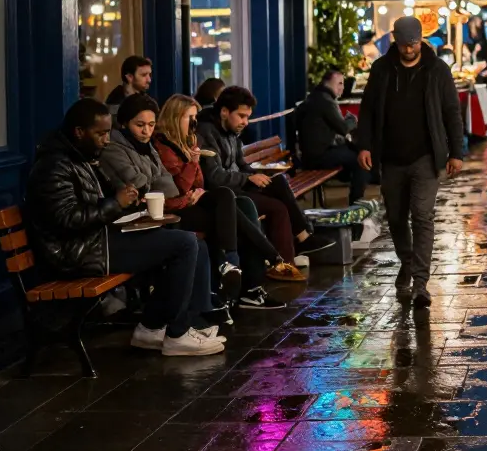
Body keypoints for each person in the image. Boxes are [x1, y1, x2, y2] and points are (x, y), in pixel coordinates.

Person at [24, 98, 224, 356]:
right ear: (78, 132)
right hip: (78, 253)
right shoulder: (54, 166)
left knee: (190, 241)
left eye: (108, 133)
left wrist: (123, 201)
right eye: (101, 134)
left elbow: (97, 202)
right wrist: (115, 204)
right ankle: (177, 333)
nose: (106, 140)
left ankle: (153, 327)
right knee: (183, 244)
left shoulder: (80, 157)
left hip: (96, 241)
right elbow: (67, 220)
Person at [356, 16, 464, 307]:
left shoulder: (437, 70)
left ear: (421, 40)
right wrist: (364, 145)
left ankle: (420, 284)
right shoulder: (381, 70)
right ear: (396, 41)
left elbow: (452, 112)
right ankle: (408, 261)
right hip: (391, 157)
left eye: (413, 44)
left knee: (422, 215)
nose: (408, 50)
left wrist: (457, 152)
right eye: (404, 45)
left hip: (426, 158)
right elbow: (367, 111)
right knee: (395, 218)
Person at [100, 93, 242, 303]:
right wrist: (188, 167)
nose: (146, 131)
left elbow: (171, 185)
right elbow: (144, 184)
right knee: (204, 233)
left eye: (150, 124)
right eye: (140, 125)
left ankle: (215, 294)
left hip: (159, 214)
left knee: (229, 204)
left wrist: (186, 169)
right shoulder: (116, 148)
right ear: (123, 123)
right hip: (134, 224)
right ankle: (222, 282)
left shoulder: (147, 147)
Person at [155, 94, 292, 310]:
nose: (194, 123)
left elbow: (199, 181)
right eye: (190, 117)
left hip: (199, 200)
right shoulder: (164, 145)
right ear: (175, 118)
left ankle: (250, 285)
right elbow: (182, 187)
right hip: (180, 209)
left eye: (194, 117)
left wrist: (195, 167)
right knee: (230, 201)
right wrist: (193, 162)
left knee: (243, 204)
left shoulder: (187, 141)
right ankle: (246, 261)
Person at [197, 86, 333, 272]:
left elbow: (241, 163)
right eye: (242, 116)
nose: (246, 122)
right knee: (277, 207)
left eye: (248, 117)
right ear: (224, 111)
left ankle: (294, 251)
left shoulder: (232, 131)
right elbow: (213, 177)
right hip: (224, 195)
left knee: (278, 183)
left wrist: (253, 175)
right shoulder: (206, 132)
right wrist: (248, 178)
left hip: (237, 186)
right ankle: (293, 253)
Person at [296, 69, 368, 204]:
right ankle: (357, 204)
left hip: (310, 155)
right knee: (360, 160)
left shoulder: (315, 97)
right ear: (327, 83)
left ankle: (354, 192)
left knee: (352, 153)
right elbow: (343, 128)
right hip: (318, 157)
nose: (342, 88)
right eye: (339, 83)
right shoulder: (326, 101)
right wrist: (352, 120)